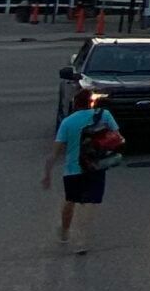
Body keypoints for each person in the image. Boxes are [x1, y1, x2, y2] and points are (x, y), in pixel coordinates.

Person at [43, 100, 122, 253]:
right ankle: (82, 239)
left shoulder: (67, 122)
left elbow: (54, 152)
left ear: (75, 105)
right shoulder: (104, 115)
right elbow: (117, 137)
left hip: (73, 169)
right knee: (90, 203)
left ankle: (65, 232)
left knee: (70, 200)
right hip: (95, 166)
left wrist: (47, 174)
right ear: (90, 104)